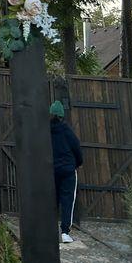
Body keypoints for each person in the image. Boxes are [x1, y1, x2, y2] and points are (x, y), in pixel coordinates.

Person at [50, 100, 83, 244]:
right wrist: (78, 163)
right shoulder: (67, 130)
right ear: (62, 115)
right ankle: (65, 232)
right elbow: (77, 148)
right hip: (68, 170)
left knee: (52, 200)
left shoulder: (46, 131)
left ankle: (49, 231)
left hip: (52, 170)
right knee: (68, 200)